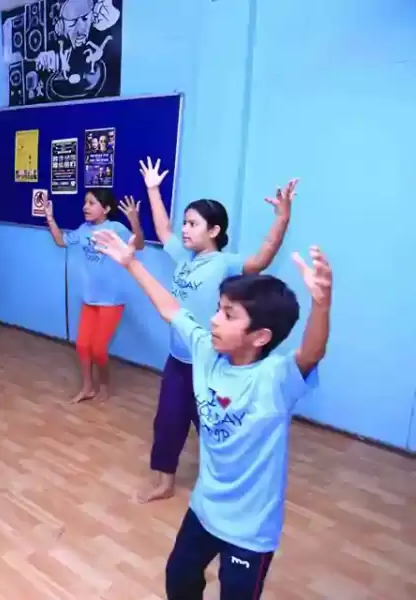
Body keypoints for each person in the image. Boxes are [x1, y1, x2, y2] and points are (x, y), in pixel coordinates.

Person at [92, 227, 330, 600]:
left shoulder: (275, 378)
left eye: (228, 315)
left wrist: (322, 306)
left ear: (260, 336)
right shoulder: (206, 351)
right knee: (179, 578)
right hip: (204, 510)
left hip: (249, 529)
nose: (215, 319)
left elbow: (311, 353)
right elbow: (172, 309)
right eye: (218, 309)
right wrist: (131, 263)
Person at [135, 157, 298, 503]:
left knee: (213, 424)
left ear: (214, 231)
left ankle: (227, 480)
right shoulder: (185, 258)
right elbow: (162, 230)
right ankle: (165, 482)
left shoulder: (225, 263)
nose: (185, 229)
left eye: (193, 224)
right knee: (168, 421)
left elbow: (262, 259)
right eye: (185, 222)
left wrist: (282, 219)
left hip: (212, 365)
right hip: (179, 359)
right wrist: (153, 189)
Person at [43, 189, 144, 403]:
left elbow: (139, 245)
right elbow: (61, 241)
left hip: (112, 299)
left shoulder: (116, 228)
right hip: (90, 298)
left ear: (105, 209)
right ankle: (88, 387)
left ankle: (104, 385)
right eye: (85, 203)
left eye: (91, 203)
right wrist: (50, 218)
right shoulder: (83, 229)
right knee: (82, 345)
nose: (85, 207)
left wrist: (134, 221)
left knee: (98, 349)